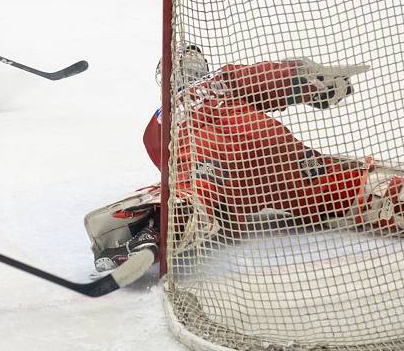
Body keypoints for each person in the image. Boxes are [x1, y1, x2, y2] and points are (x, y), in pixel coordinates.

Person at [84, 47, 393, 273]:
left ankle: (158, 224)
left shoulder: (158, 120)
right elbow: (269, 79)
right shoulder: (219, 80)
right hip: (274, 152)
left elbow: (170, 166)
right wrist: (311, 84)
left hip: (217, 169)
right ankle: (387, 193)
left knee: (192, 192)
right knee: (339, 184)